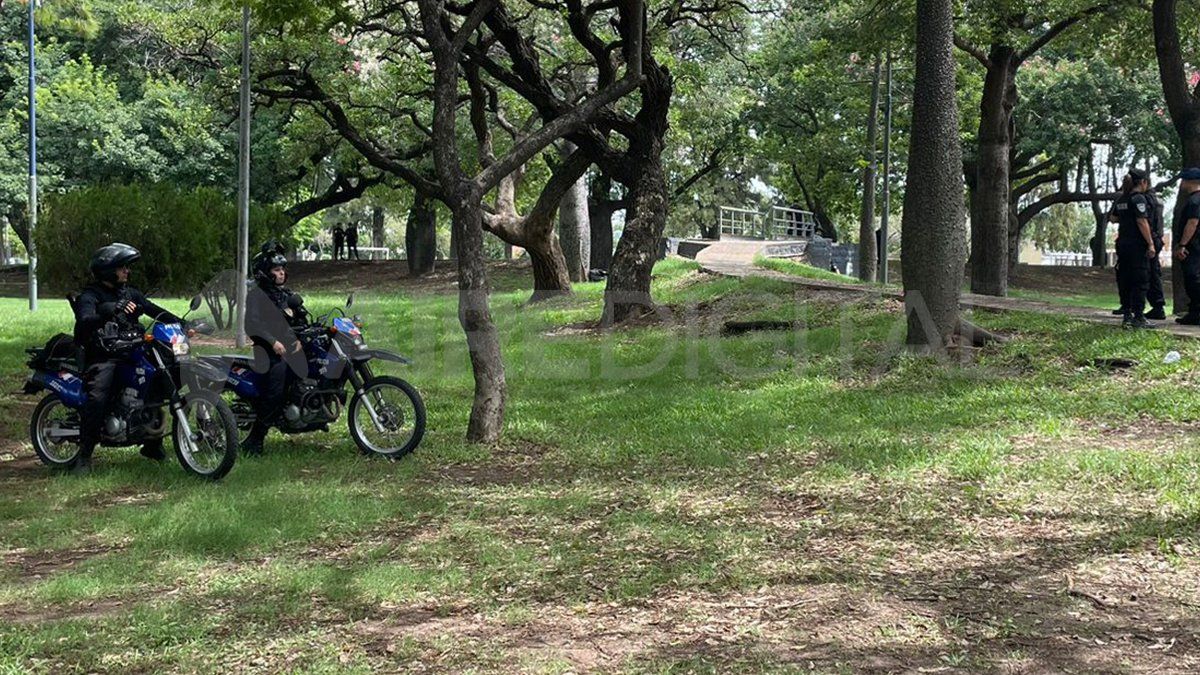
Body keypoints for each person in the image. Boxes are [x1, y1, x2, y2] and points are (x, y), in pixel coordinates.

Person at [72, 243, 182, 475]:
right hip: (103, 355)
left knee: (161, 379)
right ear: (107, 270)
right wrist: (108, 309)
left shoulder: (130, 293)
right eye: (122, 268)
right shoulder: (90, 295)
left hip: (132, 350)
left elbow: (155, 311)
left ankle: (152, 444)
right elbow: (83, 322)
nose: (126, 272)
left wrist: (182, 323)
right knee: (98, 396)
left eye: (126, 268)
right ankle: (84, 455)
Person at [242, 241, 309, 454]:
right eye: (276, 270)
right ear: (264, 272)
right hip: (267, 351)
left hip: (289, 349)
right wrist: (273, 342)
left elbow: (299, 318)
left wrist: (301, 335)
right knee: (276, 384)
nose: (281, 273)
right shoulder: (256, 296)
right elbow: (252, 324)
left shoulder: (285, 294)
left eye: (282, 269)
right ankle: (256, 438)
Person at [1111, 169, 1159, 329]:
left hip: (1122, 243)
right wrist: (1151, 243)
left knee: (1125, 278)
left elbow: (1113, 217)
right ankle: (1138, 316)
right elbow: (1142, 221)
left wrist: (1126, 218)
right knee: (1140, 279)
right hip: (1137, 245)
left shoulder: (1121, 199)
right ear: (1143, 182)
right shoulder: (1139, 198)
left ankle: (1126, 314)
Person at [1172, 168, 1200, 324]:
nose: (1181, 183)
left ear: (1189, 182)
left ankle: (1197, 312)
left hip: (1193, 247)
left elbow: (1192, 222)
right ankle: (1195, 312)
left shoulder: (1195, 201)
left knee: (1192, 278)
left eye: (1183, 180)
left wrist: (1182, 244)